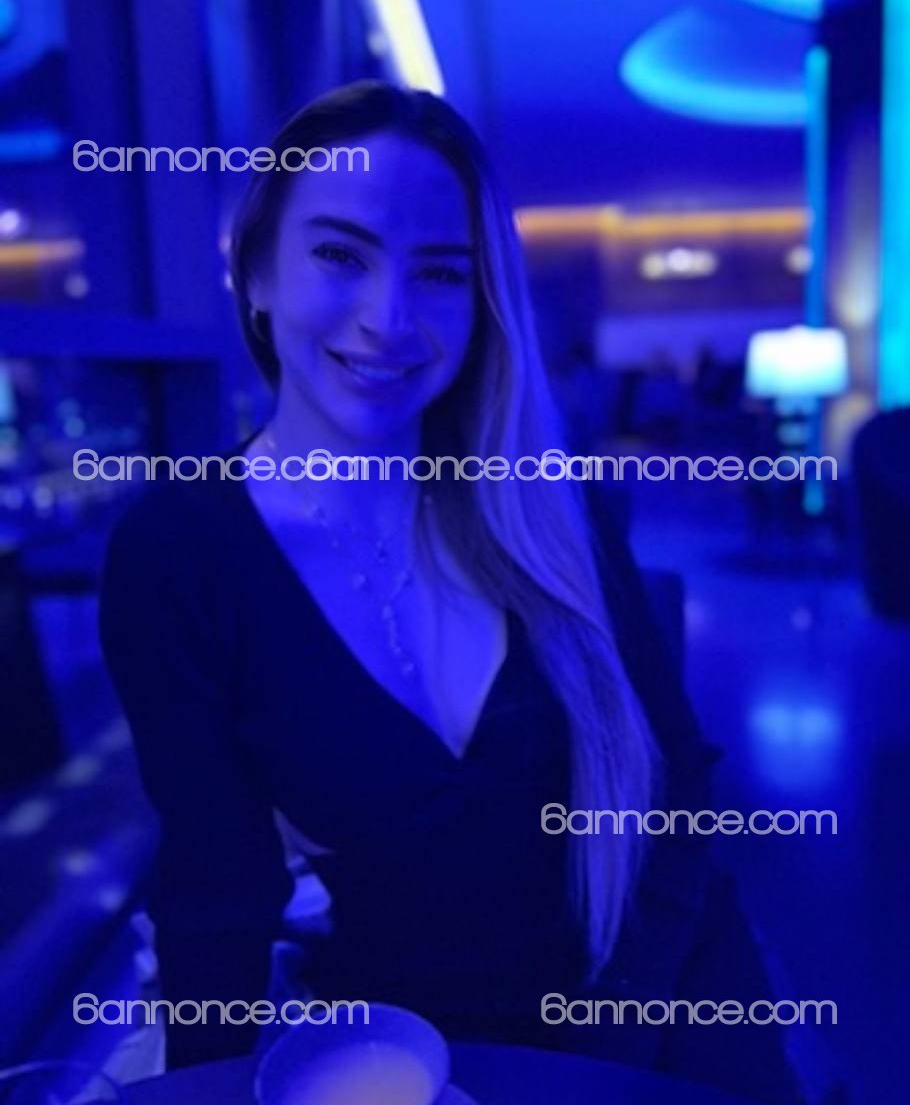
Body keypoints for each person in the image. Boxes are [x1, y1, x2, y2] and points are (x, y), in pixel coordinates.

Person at [100, 82, 802, 1102]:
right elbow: (219, 889)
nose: (388, 319)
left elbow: (673, 795)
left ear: (481, 306)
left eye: (439, 272)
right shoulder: (179, 552)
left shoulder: (553, 505)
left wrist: (599, 1057)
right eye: (340, 255)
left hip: (662, 990)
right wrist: (202, 1092)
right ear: (254, 273)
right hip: (413, 1045)